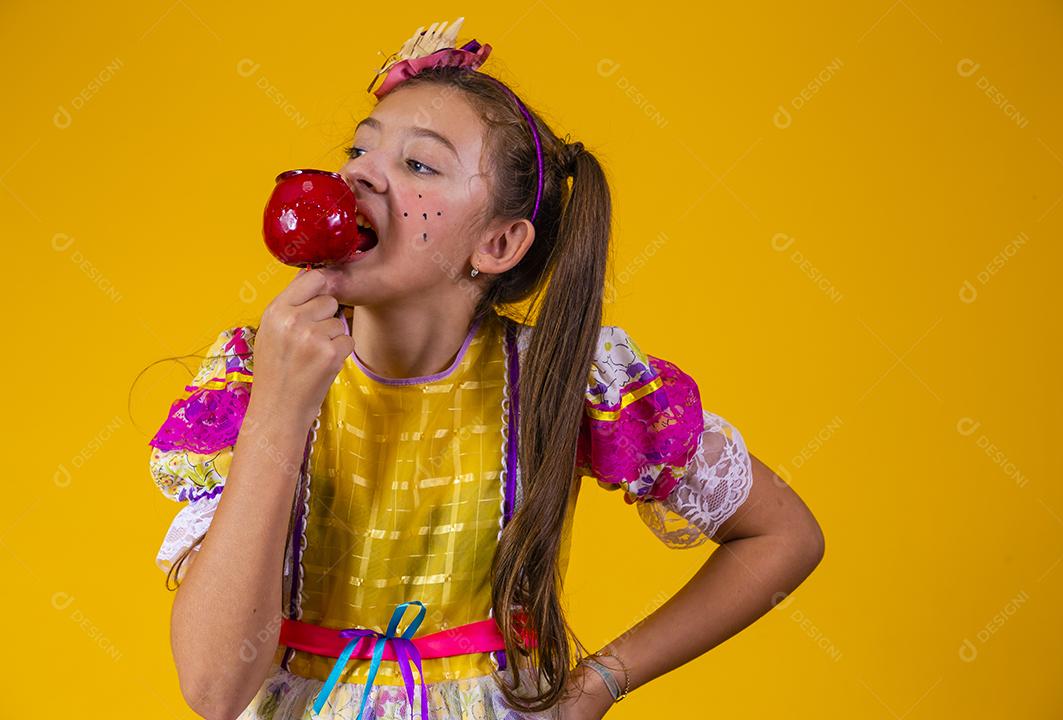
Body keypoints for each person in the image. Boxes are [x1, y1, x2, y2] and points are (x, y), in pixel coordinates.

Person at [147, 17, 825, 720]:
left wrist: (599, 684)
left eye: (419, 164)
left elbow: (784, 537)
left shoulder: (560, 380)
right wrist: (278, 416)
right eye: (359, 149)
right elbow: (212, 689)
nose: (354, 174)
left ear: (497, 243)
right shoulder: (256, 379)